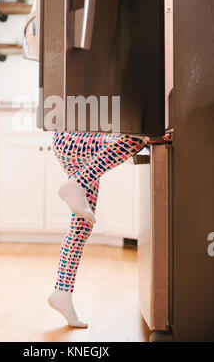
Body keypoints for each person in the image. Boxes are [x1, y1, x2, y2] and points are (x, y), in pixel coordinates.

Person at [47, 131, 147, 327]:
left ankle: (62, 293)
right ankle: (77, 184)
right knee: (134, 140)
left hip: (70, 144)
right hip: (74, 140)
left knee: (81, 226)